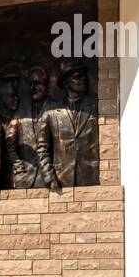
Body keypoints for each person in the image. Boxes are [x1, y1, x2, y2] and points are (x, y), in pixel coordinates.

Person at [40, 58, 99, 188]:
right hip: (62, 178)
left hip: (91, 177)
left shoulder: (96, 106)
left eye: (84, 76)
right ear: (65, 83)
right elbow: (42, 148)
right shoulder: (51, 112)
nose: (83, 79)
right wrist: (50, 177)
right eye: (77, 76)